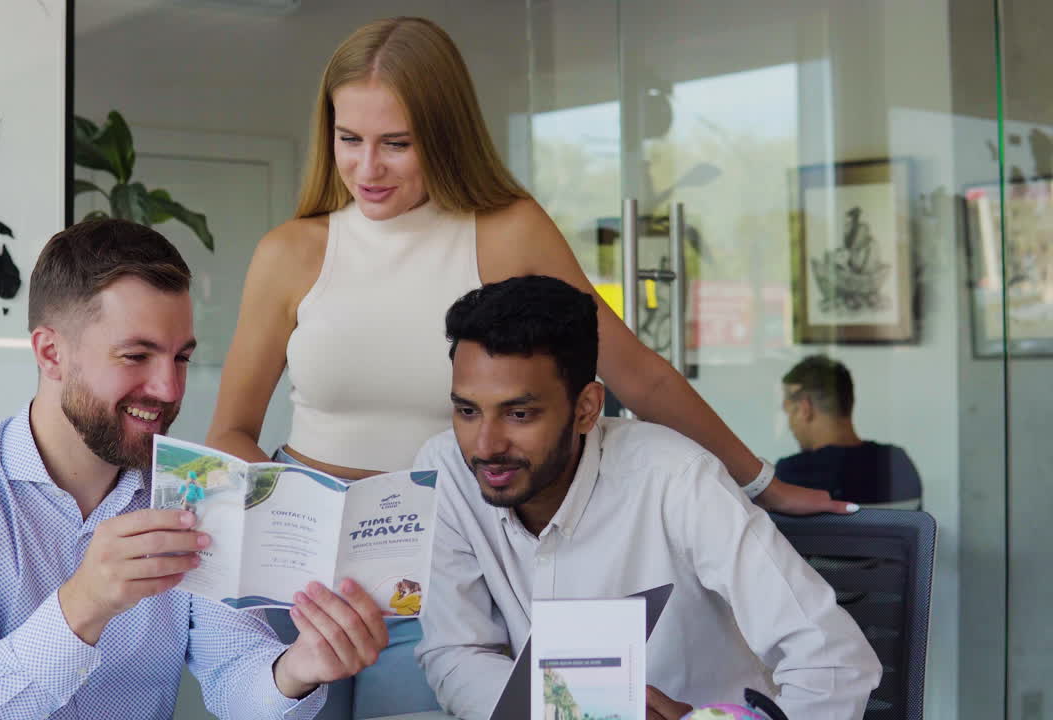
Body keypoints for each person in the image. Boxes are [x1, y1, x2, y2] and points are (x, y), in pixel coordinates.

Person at [205, 15, 853, 717]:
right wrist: (295, 520)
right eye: (349, 140)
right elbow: (230, 430)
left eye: (396, 144)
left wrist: (759, 480)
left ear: (444, 135)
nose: (367, 168)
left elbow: (637, 373)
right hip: (302, 571)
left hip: (438, 569)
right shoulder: (290, 252)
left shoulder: (507, 231)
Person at [0, 219, 387, 720]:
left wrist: (295, 670)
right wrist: (86, 602)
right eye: (137, 355)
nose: (168, 389)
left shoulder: (193, 490)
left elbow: (235, 670)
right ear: (51, 353)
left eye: (181, 358)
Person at [414, 276, 882, 720]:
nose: (486, 445)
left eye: (519, 413)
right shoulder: (446, 472)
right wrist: (578, 705)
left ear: (586, 409)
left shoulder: (676, 478)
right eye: (467, 411)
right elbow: (456, 653)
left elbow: (835, 661)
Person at [777, 354, 923, 507]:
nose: (789, 425)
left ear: (804, 408)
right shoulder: (897, 464)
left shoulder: (790, 475)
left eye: (788, 410)